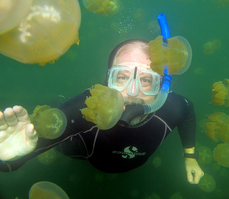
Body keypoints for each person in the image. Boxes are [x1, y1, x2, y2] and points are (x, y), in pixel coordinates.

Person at [0, 39, 204, 184]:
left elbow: (189, 113)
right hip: (81, 153)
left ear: (161, 85)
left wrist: (190, 156)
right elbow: (16, 156)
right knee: (64, 147)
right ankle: (59, 103)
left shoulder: (172, 106)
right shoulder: (87, 110)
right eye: (122, 77)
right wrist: (7, 157)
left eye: (146, 79)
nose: (133, 93)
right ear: (108, 81)